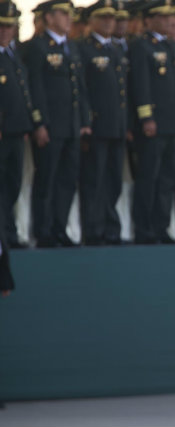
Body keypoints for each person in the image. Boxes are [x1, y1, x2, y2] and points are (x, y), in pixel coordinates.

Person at [25, 0, 92, 248]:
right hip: (51, 126)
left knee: (67, 180)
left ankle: (60, 227)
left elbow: (79, 87)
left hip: (72, 125)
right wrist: (39, 123)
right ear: (49, 17)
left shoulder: (71, 47)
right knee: (47, 179)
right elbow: (36, 87)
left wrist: (84, 120)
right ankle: (43, 231)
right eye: (63, 13)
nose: (68, 18)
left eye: (69, 14)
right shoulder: (38, 46)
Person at [129, 0, 175, 244]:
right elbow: (141, 85)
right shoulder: (141, 45)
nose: (167, 21)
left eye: (169, 17)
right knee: (149, 177)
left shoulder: (170, 45)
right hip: (153, 125)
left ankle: (161, 227)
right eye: (161, 17)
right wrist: (146, 117)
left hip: (171, 124)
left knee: (167, 178)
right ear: (148, 20)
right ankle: (144, 229)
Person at [78, 0, 129, 246]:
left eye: (112, 18)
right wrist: (86, 121)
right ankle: (94, 229)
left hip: (117, 126)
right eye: (103, 18)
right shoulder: (84, 48)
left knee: (113, 181)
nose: (109, 22)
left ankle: (111, 228)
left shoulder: (116, 49)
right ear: (92, 21)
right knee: (94, 181)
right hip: (97, 126)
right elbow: (82, 89)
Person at [0, 1, 35, 249]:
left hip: (16, 130)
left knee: (12, 184)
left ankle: (9, 232)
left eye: (9, 27)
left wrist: (27, 124)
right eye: (1, 27)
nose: (5, 31)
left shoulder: (13, 55)